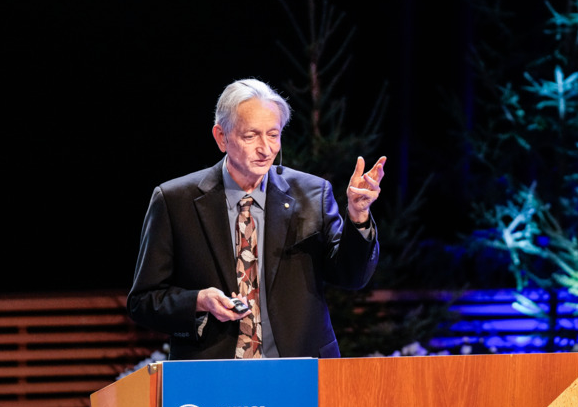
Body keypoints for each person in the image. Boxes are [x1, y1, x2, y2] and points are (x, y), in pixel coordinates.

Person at [127, 78, 386, 360]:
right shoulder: (175, 201)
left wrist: (358, 216)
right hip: (214, 376)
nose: (266, 149)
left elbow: (352, 276)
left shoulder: (312, 194)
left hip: (298, 369)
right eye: (251, 136)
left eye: (273, 135)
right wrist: (198, 301)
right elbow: (144, 301)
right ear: (221, 137)